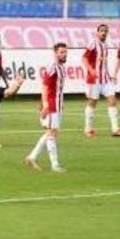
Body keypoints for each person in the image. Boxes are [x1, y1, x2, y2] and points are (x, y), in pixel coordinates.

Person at [25, 42, 68, 173]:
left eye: (65, 52)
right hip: (51, 105)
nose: (64, 54)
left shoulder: (61, 68)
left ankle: (31, 157)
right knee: (51, 133)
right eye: (61, 52)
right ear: (55, 53)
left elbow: (57, 88)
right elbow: (45, 86)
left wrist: (62, 101)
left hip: (58, 105)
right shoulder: (52, 68)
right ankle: (54, 165)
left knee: (52, 133)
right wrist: (45, 105)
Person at [83, 24, 120, 137]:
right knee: (92, 102)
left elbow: (104, 63)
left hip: (105, 79)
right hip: (94, 79)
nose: (103, 33)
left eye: (105, 31)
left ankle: (115, 129)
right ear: (97, 32)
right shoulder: (93, 43)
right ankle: (88, 129)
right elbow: (84, 58)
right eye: (101, 31)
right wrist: (91, 70)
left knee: (112, 100)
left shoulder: (105, 45)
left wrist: (109, 74)